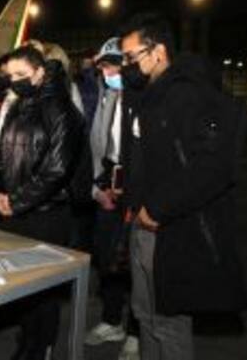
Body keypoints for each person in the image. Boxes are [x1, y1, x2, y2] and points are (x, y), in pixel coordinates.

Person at [119, 13, 247, 360]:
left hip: (173, 227)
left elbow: (213, 166)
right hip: (143, 223)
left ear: (158, 51)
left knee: (168, 323)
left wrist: (158, 208)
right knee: (145, 316)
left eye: (131, 57)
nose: (126, 66)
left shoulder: (189, 94)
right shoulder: (148, 95)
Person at [0, 46, 85, 360]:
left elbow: (57, 170)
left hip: (46, 215)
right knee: (22, 288)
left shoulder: (62, 109)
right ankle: (27, 344)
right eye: (10, 75)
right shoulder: (18, 106)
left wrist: (16, 201)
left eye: (21, 74)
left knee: (44, 293)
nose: (14, 81)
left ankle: (42, 348)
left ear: (40, 72)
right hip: (16, 211)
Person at [86, 37, 140, 360]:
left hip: (135, 187)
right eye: (104, 67)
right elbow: (97, 146)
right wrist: (97, 188)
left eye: (113, 66)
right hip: (109, 181)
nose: (107, 73)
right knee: (108, 256)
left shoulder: (144, 99)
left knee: (134, 260)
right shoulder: (108, 97)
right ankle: (111, 319)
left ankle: (135, 331)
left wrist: (133, 194)